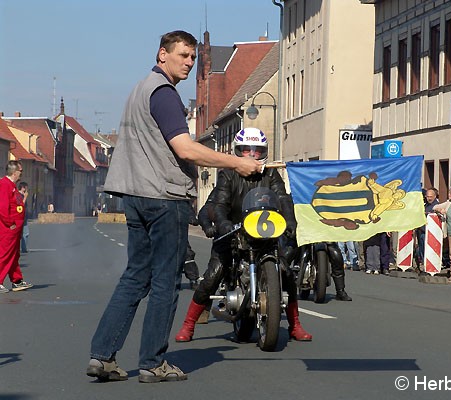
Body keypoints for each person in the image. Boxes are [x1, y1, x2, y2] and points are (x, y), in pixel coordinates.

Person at [87, 31, 262, 384]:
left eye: (193, 58)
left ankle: (102, 356)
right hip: (163, 198)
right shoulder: (164, 95)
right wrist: (236, 163)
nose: (188, 62)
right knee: (165, 281)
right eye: (183, 55)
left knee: (136, 277)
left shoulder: (140, 89)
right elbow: (185, 149)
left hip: (135, 196)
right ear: (162, 54)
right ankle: (153, 362)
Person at [174, 127, 313, 344]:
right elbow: (219, 204)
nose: (251, 154)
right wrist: (223, 223)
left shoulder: (270, 173)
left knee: (285, 272)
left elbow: (283, 198)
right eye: (246, 149)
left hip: (266, 233)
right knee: (213, 274)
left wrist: (290, 220)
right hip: (234, 232)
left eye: (257, 150)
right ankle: (188, 324)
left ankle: (295, 324)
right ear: (238, 151)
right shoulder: (228, 174)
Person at [0, 161, 33, 294]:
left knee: (14, 254)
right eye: (21, 171)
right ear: (14, 172)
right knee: (5, 254)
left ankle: (16, 280)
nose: (22, 173)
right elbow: (2, 207)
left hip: (15, 228)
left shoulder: (12, 186)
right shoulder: (4, 185)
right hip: (8, 228)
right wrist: (10, 223)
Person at [18, 182, 30, 253]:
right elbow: (20, 206)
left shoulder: (22, 195)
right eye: (26, 188)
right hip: (19, 218)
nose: (27, 189)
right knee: (22, 234)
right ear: (23, 188)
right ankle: (22, 248)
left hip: (24, 218)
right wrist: (25, 197)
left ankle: (24, 248)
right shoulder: (18, 195)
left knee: (25, 233)